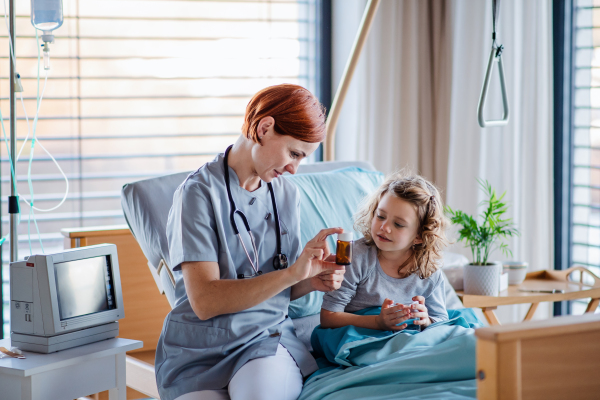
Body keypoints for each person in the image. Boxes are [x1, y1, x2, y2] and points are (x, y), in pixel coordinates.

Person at [155, 84, 345, 400]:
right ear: (264, 128)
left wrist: (311, 278)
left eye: (302, 159)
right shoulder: (199, 194)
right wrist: (292, 274)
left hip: (263, 338)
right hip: (200, 347)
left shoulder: (286, 193)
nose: (293, 168)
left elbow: (281, 287)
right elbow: (205, 301)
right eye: (293, 153)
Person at [320, 172, 449, 331]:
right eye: (380, 216)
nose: (384, 227)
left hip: (407, 336)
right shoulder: (355, 255)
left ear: (419, 236)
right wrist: (377, 322)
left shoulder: (429, 270)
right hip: (360, 335)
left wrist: (426, 320)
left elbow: (441, 319)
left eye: (398, 224)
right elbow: (328, 317)